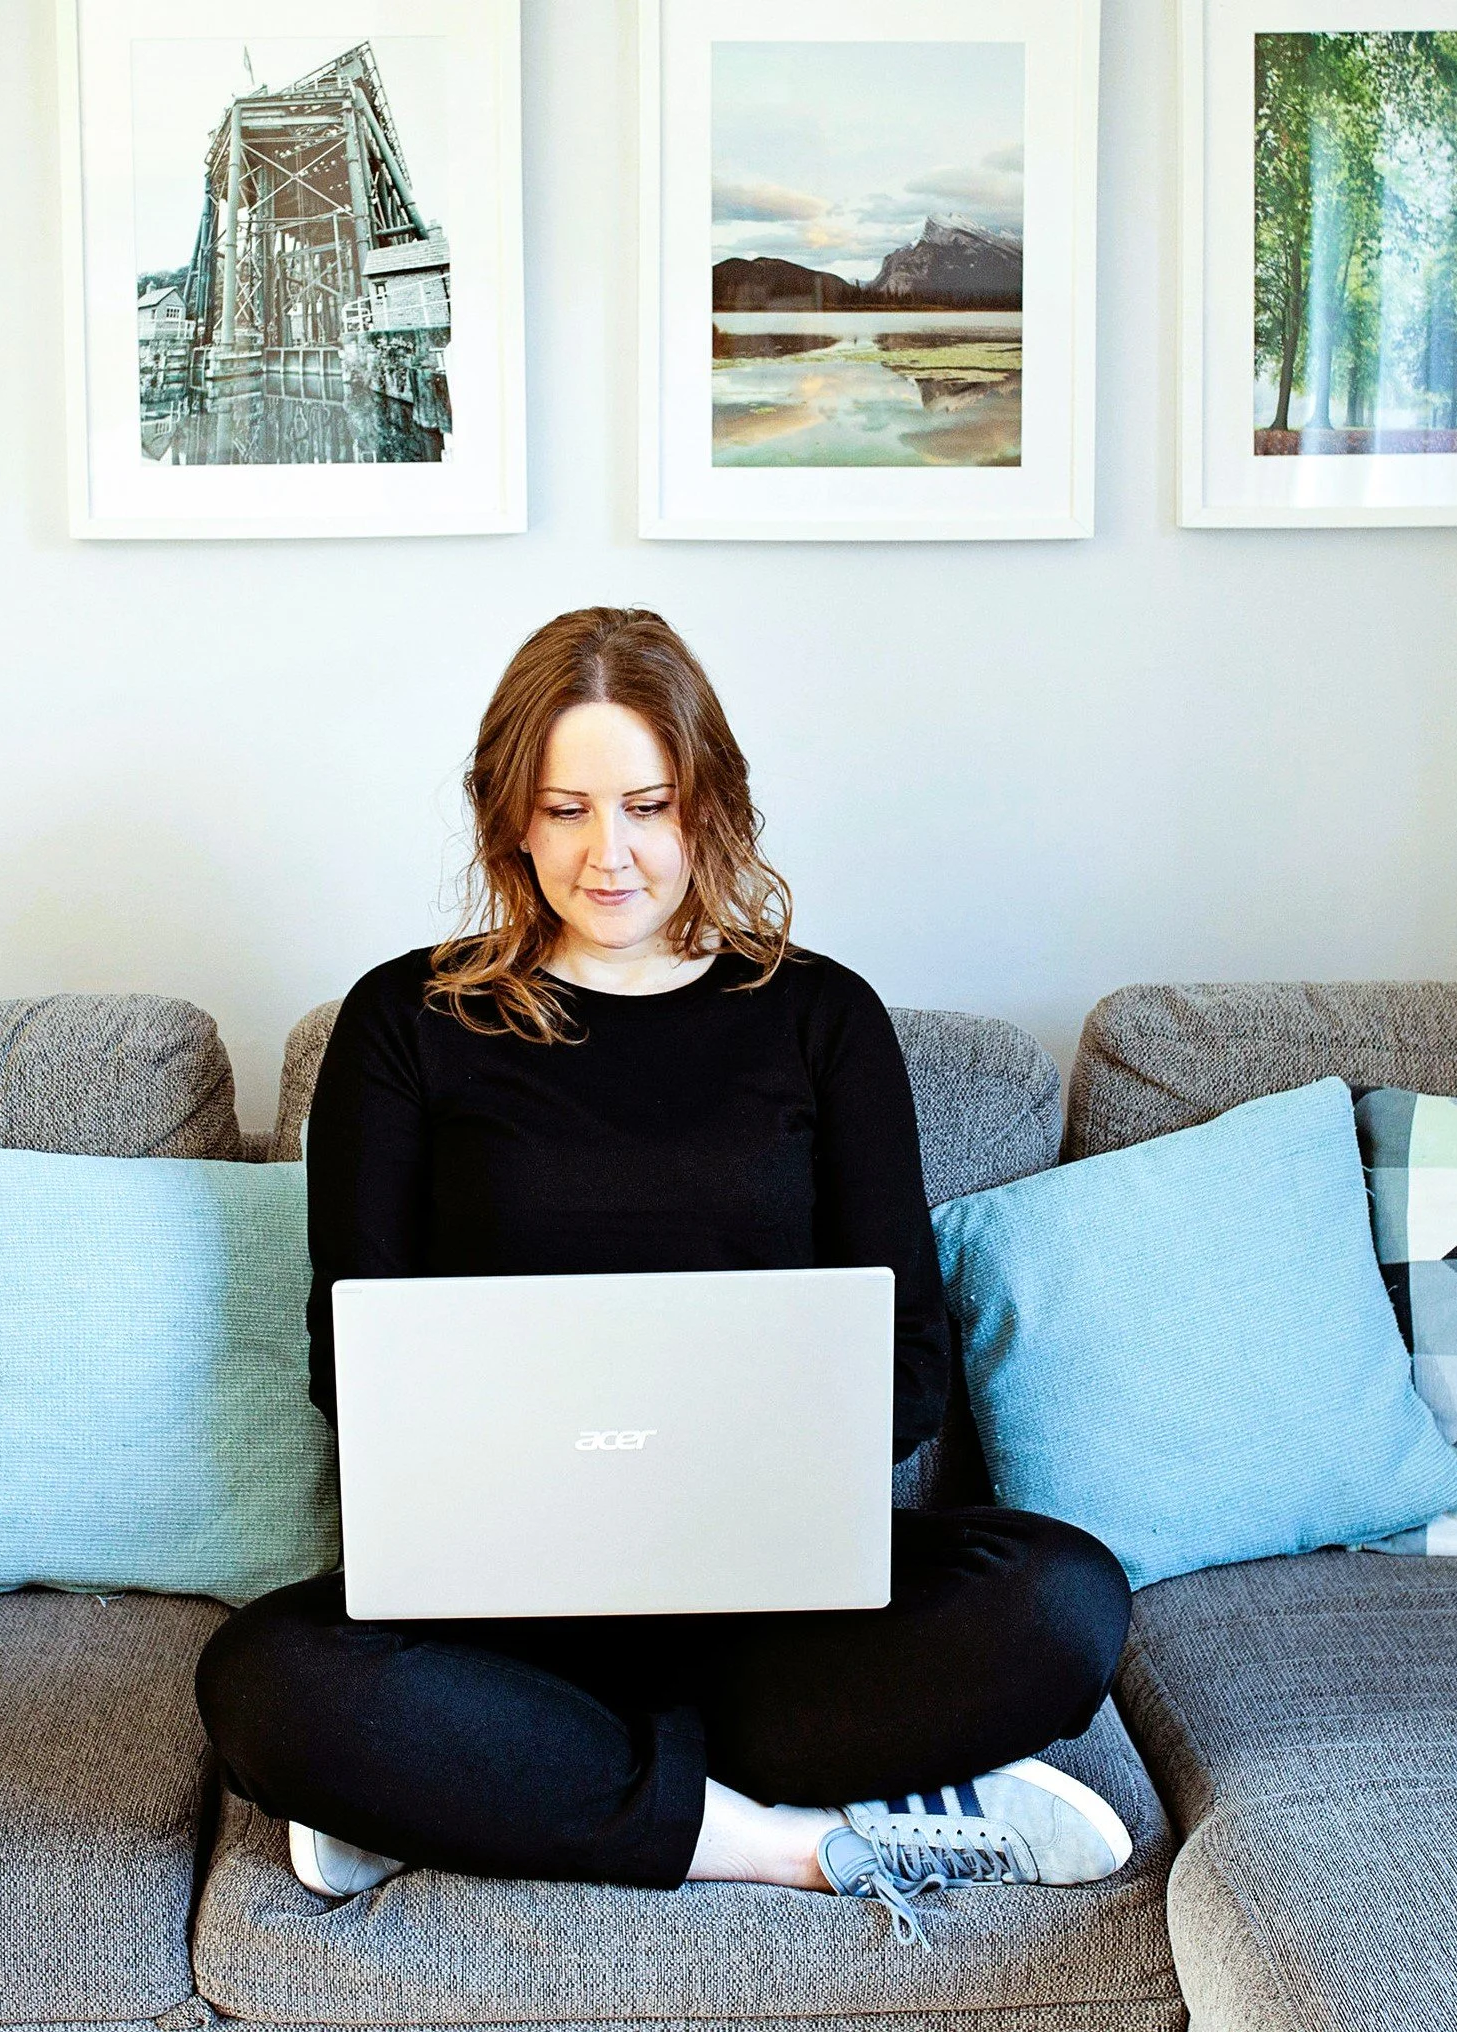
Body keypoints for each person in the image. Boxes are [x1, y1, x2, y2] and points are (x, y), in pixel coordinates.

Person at [196, 608, 1133, 1946]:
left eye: (647, 804)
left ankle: (488, 1786)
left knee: (1065, 1605)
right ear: (509, 818)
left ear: (709, 804)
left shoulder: (825, 1022)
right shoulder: (406, 1026)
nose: (609, 853)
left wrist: (734, 1449)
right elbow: (355, 1359)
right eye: (565, 809)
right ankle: (795, 1843)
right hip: (494, 1616)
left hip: (770, 1617)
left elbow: (910, 1367)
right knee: (267, 1686)